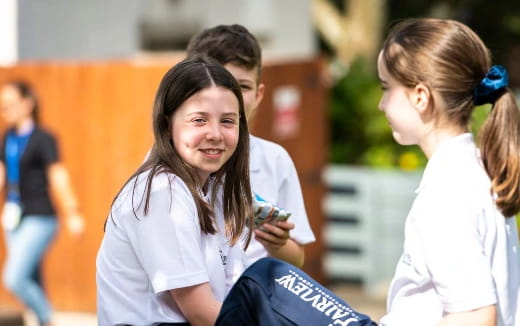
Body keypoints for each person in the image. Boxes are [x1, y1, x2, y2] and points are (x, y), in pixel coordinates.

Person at [217, 17, 520, 326]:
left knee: (262, 280)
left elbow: (476, 316)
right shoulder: (476, 170)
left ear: (420, 97)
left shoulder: (447, 194)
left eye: (387, 88)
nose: (381, 104)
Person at [96, 56, 254, 325]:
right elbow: (201, 313)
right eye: (199, 120)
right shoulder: (162, 192)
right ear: (167, 124)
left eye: (227, 121)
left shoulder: (211, 189)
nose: (215, 133)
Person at [186, 24, 315, 269]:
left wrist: (277, 244)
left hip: (252, 298)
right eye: (220, 84)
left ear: (258, 95)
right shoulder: (171, 161)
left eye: (243, 86)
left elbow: (296, 259)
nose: (231, 96)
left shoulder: (274, 160)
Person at [0, 80, 84, 326]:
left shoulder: (43, 138)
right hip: (13, 218)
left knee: (14, 278)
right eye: (3, 105)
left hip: (40, 218)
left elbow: (58, 176)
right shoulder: (7, 138)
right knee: (33, 280)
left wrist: (73, 212)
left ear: (28, 103)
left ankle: (48, 321)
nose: (6, 110)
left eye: (11, 104)